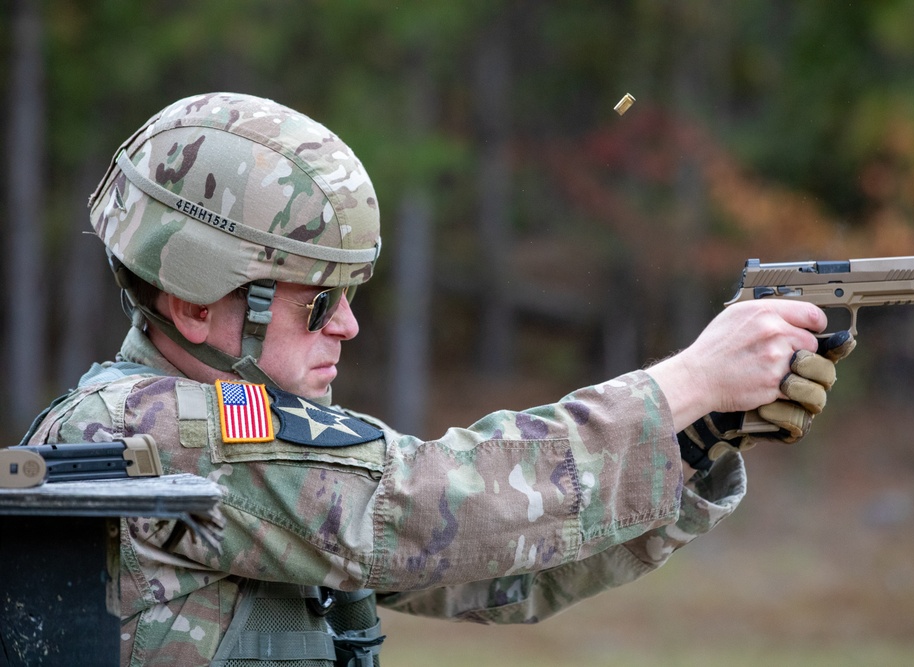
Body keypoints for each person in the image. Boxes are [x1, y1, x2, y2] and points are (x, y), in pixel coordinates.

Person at [20, 92, 852, 666]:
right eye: (316, 304)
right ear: (193, 303)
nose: (347, 325)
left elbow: (496, 573)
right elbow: (432, 504)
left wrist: (692, 441)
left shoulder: (215, 439)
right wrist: (685, 384)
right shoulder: (152, 432)